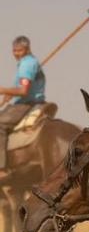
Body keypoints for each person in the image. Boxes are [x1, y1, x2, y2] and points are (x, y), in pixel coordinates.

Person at [0, 36, 46, 171]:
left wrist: (3, 90)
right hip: (24, 101)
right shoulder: (27, 62)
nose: (16, 54)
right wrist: (9, 93)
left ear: (27, 49)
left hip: (26, 104)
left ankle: (1, 169)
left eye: (19, 51)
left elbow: (23, 90)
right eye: (14, 51)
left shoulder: (27, 65)